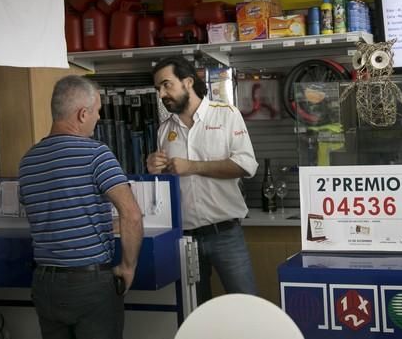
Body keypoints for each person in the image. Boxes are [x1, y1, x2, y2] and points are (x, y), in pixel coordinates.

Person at [18, 75, 143, 339]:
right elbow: (131, 214)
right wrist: (128, 267)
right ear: (82, 114)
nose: (98, 119)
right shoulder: (96, 154)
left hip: (44, 284)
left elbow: (53, 215)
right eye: (97, 112)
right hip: (89, 285)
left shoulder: (28, 160)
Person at [146, 56, 258, 304]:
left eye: (167, 85)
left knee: (247, 306)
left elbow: (246, 165)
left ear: (187, 82)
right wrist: (156, 171)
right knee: (194, 311)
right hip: (184, 239)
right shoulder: (164, 130)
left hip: (226, 234)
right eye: (158, 89)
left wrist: (192, 166)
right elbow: (171, 183)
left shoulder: (227, 115)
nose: (162, 93)